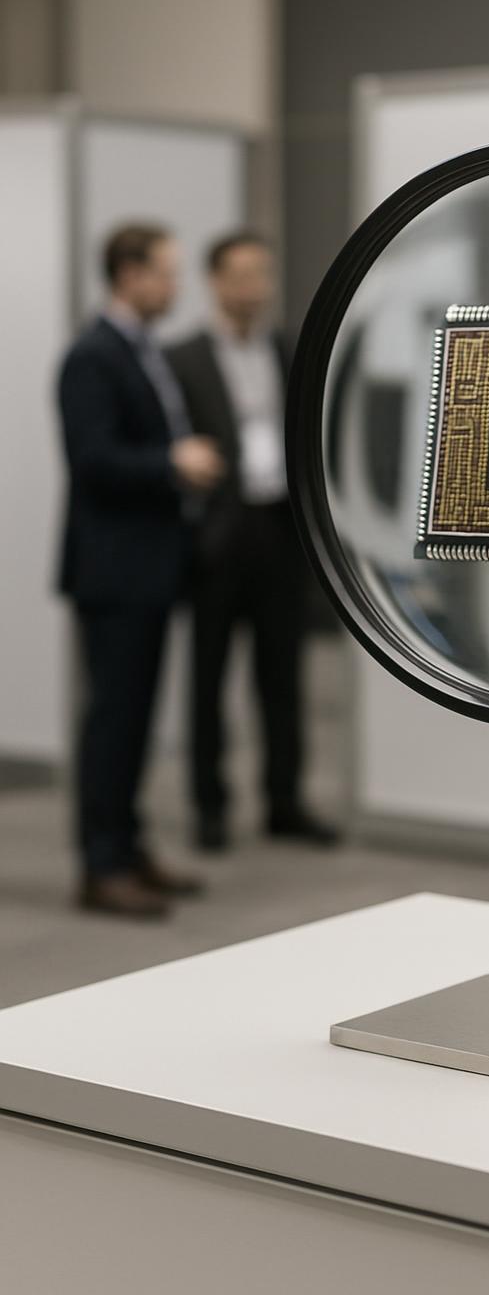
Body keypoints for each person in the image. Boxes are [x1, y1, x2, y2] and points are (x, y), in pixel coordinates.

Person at [58, 224, 224, 917]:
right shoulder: (93, 357)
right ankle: (101, 865)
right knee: (114, 720)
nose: (175, 286)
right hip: (115, 571)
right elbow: (92, 460)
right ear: (128, 273)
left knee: (136, 719)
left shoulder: (138, 350)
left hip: (151, 567)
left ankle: (128, 846)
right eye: (165, 271)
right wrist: (173, 463)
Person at [168, 232, 338, 851]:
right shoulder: (182, 357)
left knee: (282, 675)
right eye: (240, 275)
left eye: (262, 275)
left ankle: (284, 801)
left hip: (279, 529)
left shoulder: (286, 348)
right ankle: (210, 807)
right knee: (209, 678)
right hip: (219, 534)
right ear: (214, 281)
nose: (253, 288)